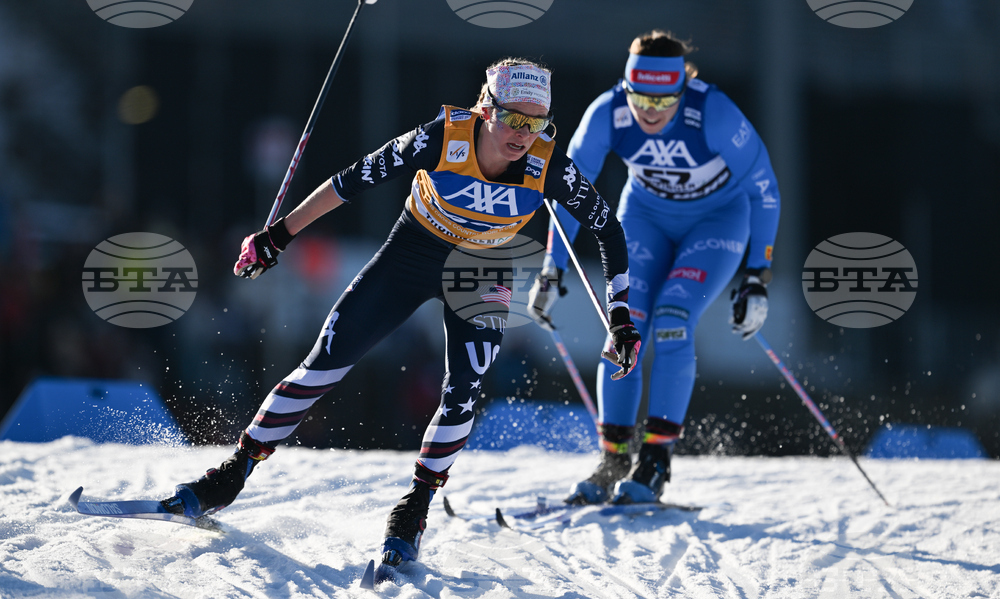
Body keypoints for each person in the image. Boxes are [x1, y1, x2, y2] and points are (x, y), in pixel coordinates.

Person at [160, 59, 641, 569]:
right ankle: (231, 474)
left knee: (464, 394)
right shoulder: (443, 137)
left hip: (480, 270)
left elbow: (608, 230)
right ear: (485, 108)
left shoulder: (550, 165)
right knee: (324, 362)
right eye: (514, 120)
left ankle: (414, 509)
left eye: (538, 122)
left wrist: (621, 315)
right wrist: (278, 235)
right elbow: (350, 181)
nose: (525, 134)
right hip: (412, 254)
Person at [528, 30, 780, 505]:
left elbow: (765, 192)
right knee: (624, 325)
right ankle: (614, 457)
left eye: (662, 99)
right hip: (645, 218)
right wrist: (551, 267)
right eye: (639, 95)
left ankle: (656, 460)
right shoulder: (608, 113)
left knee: (671, 321)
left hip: (717, 221)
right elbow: (567, 188)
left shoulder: (715, 113)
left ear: (683, 88)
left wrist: (756, 276)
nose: (648, 109)